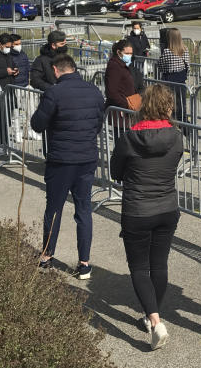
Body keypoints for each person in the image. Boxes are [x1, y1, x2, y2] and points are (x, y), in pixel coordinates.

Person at [110, 84, 184, 350]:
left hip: (138, 209)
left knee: (140, 268)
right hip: (166, 207)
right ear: (168, 106)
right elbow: (173, 162)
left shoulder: (130, 137)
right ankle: (153, 314)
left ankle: (155, 321)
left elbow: (115, 170)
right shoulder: (176, 136)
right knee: (159, 264)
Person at [30, 53, 105, 279]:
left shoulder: (54, 92)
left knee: (54, 209)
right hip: (86, 157)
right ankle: (84, 263)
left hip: (61, 159)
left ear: (56, 71)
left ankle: (47, 255)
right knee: (83, 210)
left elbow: (37, 124)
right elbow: (98, 123)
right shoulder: (94, 91)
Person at [157, 28, 190, 121]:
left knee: (170, 103)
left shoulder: (167, 51)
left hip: (169, 80)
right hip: (181, 79)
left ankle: (172, 121)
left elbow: (161, 66)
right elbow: (188, 65)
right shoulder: (185, 49)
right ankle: (184, 123)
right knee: (181, 104)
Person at [105, 39, 141, 113]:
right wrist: (126, 105)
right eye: (127, 53)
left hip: (130, 108)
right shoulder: (114, 66)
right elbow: (112, 92)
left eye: (131, 53)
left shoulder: (126, 65)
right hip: (120, 110)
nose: (129, 56)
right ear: (118, 52)